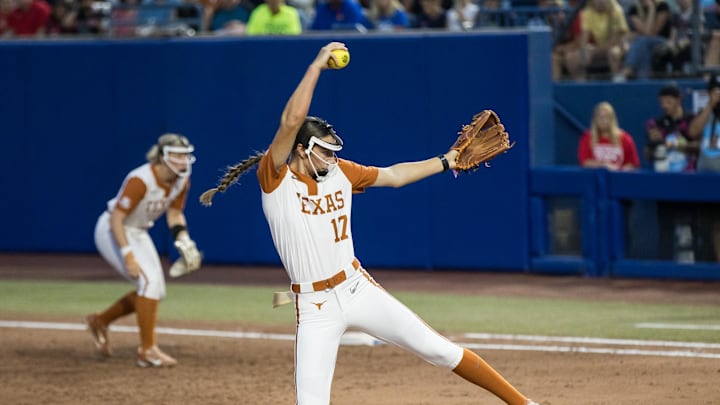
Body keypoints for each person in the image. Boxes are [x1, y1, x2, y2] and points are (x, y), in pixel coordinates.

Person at [200, 42, 540, 405]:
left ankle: (525, 404)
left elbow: (393, 176)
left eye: (334, 151)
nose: (333, 158)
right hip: (315, 307)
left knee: (439, 350)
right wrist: (316, 66)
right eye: (325, 151)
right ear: (301, 149)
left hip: (356, 287)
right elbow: (290, 121)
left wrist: (446, 161)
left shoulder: (340, 172)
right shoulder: (276, 178)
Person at [86, 133, 201, 367]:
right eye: (177, 156)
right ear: (161, 157)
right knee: (148, 285)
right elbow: (117, 218)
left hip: (138, 230)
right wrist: (128, 254)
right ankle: (147, 350)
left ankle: (100, 321)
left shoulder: (182, 179)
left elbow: (174, 214)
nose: (182, 161)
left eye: (185, 156)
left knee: (154, 290)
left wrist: (185, 242)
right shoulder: (141, 179)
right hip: (112, 229)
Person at [646, 83, 700, 262]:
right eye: (662, 102)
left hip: (689, 180)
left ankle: (695, 269)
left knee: (693, 227)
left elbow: (700, 147)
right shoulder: (656, 124)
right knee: (666, 228)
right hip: (665, 181)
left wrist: (678, 145)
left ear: (679, 100)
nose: (664, 106)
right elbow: (647, 154)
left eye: (668, 101)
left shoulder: (692, 120)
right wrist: (655, 145)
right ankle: (665, 269)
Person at [563, 0, 629, 81]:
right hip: (598, 49)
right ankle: (581, 85)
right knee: (571, 57)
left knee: (613, 52)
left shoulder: (616, 10)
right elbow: (584, 38)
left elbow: (615, 41)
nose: (600, 1)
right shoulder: (587, 12)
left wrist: (594, 51)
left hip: (619, 47)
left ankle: (618, 82)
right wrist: (584, 50)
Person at [613, 0, 672, 82]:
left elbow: (651, 33)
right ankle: (643, 81)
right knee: (643, 45)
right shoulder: (634, 9)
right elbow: (646, 32)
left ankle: (626, 71)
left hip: (662, 42)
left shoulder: (662, 6)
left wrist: (651, 9)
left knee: (641, 41)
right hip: (643, 43)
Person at [577, 101, 640, 170]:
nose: (603, 120)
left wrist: (618, 171)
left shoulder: (625, 138)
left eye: (607, 117)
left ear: (612, 119)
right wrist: (604, 166)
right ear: (595, 119)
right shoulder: (587, 138)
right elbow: (585, 162)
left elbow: (632, 163)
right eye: (600, 117)